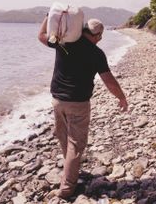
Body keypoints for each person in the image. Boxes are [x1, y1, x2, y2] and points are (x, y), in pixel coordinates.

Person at [38, 17, 128, 199]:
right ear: (97, 35)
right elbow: (108, 80)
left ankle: (71, 170)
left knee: (63, 137)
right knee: (75, 145)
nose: (100, 39)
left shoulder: (64, 44)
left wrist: (48, 18)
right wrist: (121, 97)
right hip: (78, 103)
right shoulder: (96, 53)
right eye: (100, 36)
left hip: (57, 101)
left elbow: (41, 35)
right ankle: (66, 189)